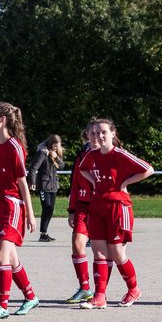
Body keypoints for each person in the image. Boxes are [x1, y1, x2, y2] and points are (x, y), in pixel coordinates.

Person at [77, 118, 154, 309]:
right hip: (97, 206)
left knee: (117, 253)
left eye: (103, 132)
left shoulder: (120, 154)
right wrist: (94, 183)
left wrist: (125, 183)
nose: (99, 136)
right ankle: (100, 296)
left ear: (113, 133)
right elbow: (82, 169)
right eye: (94, 133)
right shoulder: (91, 155)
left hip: (118, 207)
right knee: (99, 252)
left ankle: (134, 289)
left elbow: (148, 169)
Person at [0, 102, 40, 319]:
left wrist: (31, 214)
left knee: (0, 254)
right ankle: (30, 296)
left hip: (12, 205)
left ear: (2, 120)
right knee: (11, 259)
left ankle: (2, 304)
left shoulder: (15, 147)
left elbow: (22, 183)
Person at [64, 126, 96, 303]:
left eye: (99, 133)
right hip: (83, 206)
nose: (95, 137)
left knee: (108, 252)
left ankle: (103, 291)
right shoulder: (81, 155)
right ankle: (85, 287)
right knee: (77, 244)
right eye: (91, 134)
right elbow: (75, 183)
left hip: (103, 206)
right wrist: (72, 210)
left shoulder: (113, 153)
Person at [29, 134, 64, 242]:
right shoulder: (42, 153)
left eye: (58, 146)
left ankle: (44, 233)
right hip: (44, 185)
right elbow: (33, 168)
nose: (56, 148)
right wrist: (33, 182)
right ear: (50, 144)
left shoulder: (55, 153)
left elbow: (62, 166)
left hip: (53, 186)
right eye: (54, 146)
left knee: (51, 209)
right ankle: (42, 234)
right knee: (46, 207)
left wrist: (56, 157)